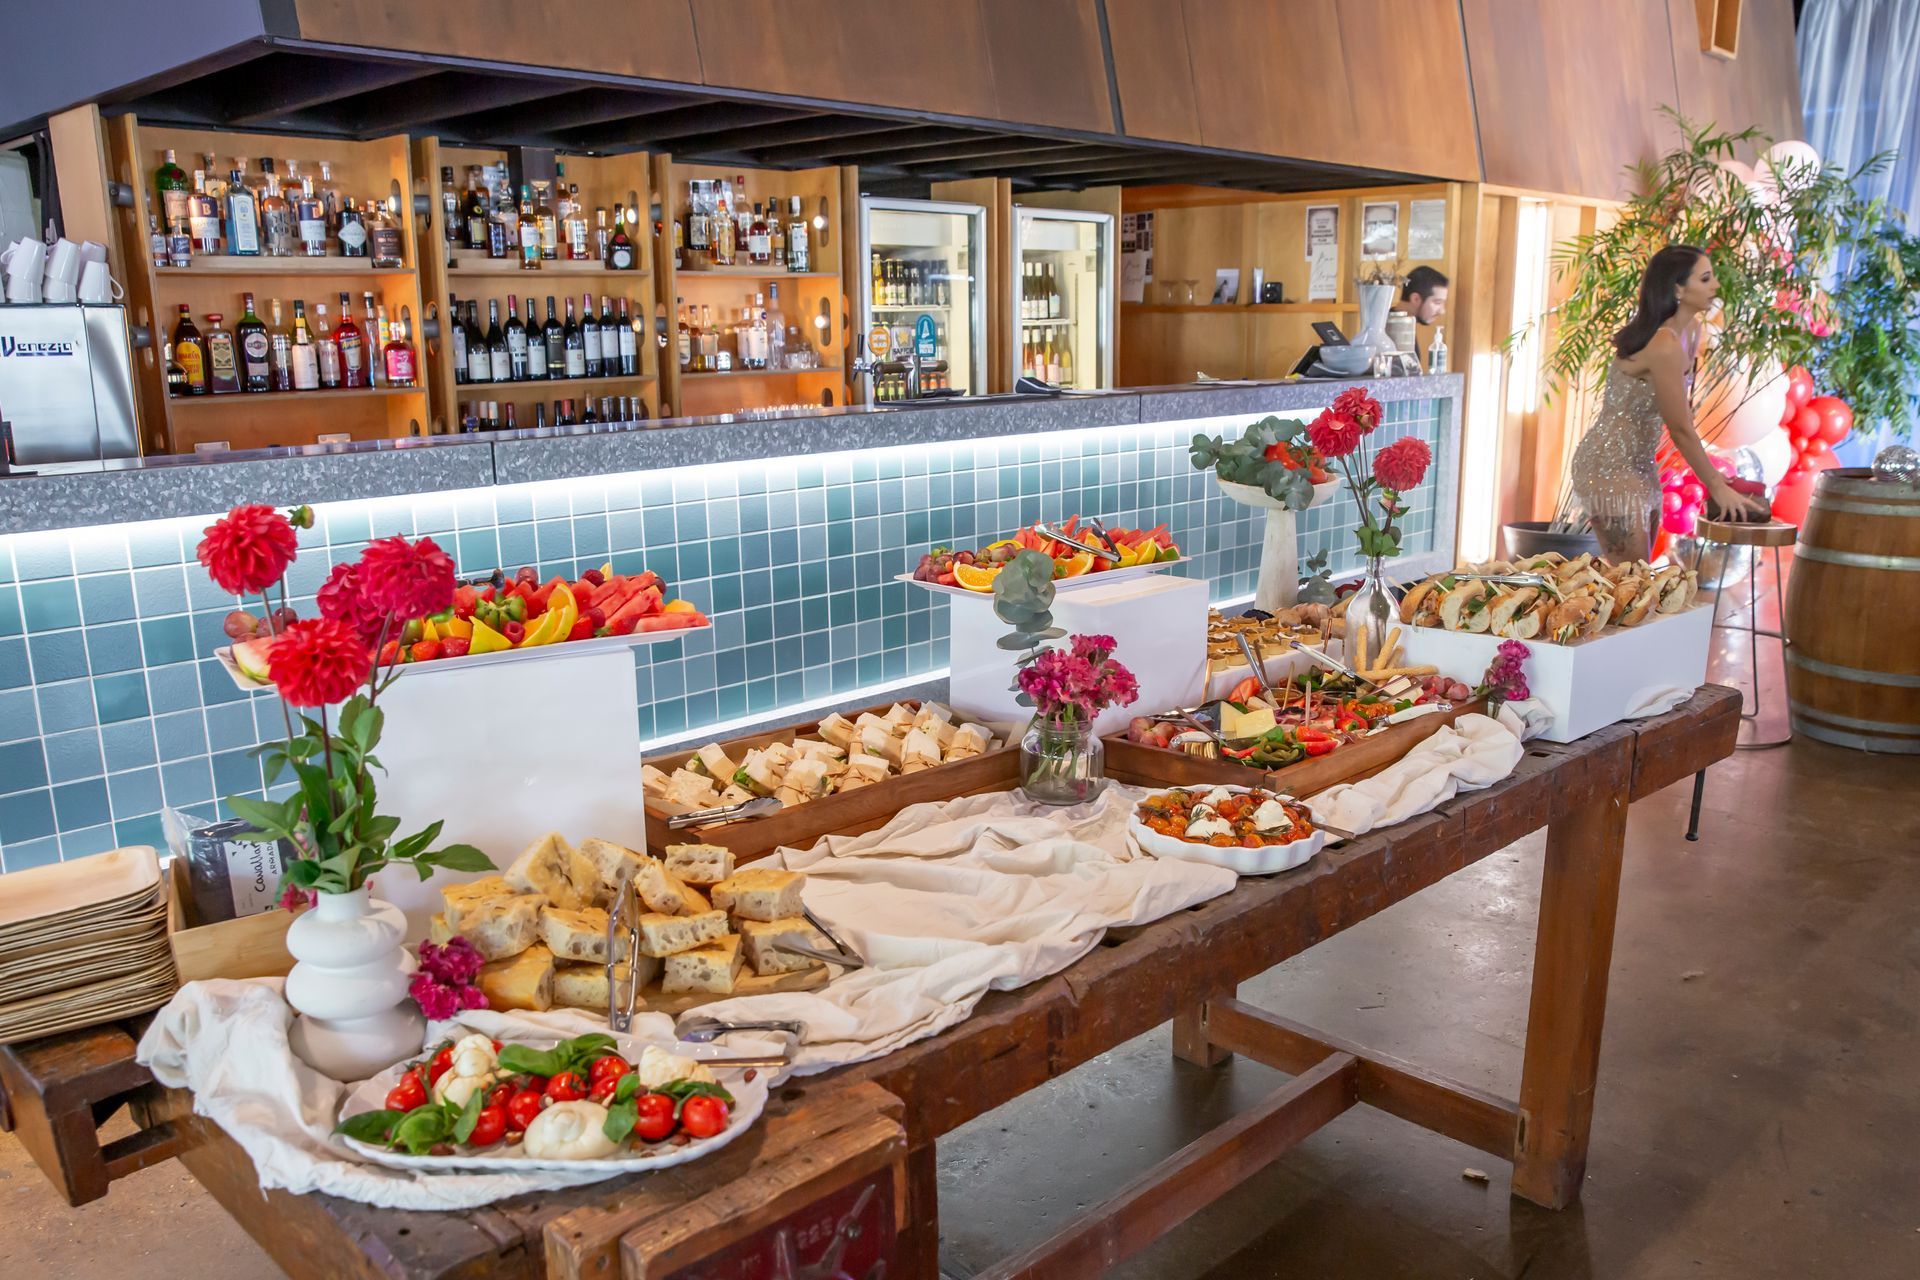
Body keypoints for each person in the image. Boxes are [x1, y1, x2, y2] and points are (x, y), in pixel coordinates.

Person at [1568, 245, 1769, 561]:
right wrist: (1715, 486)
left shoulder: (1691, 330)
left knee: (1637, 575)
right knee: (1631, 577)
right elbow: (1679, 427)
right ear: (1677, 288)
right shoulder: (1663, 344)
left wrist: (1719, 477)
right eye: (1705, 278)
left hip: (1640, 462)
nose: (1715, 286)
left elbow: (1682, 416)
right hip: (1608, 463)